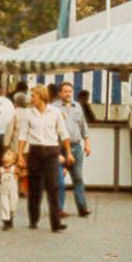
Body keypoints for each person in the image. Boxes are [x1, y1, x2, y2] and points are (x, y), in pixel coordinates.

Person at [17, 85, 71, 232]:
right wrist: (20, 154)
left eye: (33, 95)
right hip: (35, 151)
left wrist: (68, 152)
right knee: (35, 189)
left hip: (51, 151)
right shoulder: (29, 114)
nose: (31, 98)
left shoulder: (55, 112)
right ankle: (33, 219)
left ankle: (56, 223)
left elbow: (63, 133)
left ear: (41, 96)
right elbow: (23, 135)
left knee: (54, 187)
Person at [54, 82, 91, 218]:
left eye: (70, 91)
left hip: (76, 146)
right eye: (65, 91)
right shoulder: (54, 108)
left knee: (78, 178)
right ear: (60, 93)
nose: (68, 94)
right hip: (59, 147)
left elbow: (83, 125)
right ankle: (58, 208)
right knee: (59, 180)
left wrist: (87, 142)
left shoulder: (78, 107)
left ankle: (82, 207)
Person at [0, 149, 21, 230]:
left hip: (13, 190)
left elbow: (20, 176)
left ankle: (11, 215)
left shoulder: (14, 169)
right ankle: (5, 221)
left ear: (13, 160)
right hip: (3, 190)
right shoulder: (0, 169)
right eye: (5, 154)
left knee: (13, 205)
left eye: (9, 154)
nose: (6, 155)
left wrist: (19, 174)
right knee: (5, 204)